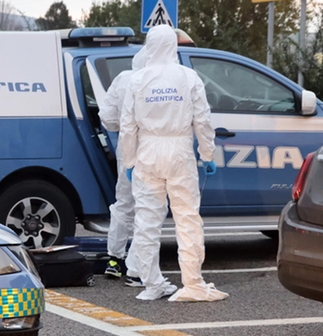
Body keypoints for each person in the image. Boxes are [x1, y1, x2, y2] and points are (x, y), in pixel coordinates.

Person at [119, 25, 227, 302]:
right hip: (179, 151)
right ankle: (192, 283)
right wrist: (208, 155)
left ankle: (152, 283)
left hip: (147, 152)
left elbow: (127, 126)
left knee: (146, 221)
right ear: (173, 46)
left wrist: (129, 161)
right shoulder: (188, 77)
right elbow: (202, 121)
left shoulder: (137, 80)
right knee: (187, 218)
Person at [97, 47, 149, 286]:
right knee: (147, 208)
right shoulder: (165, 80)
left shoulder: (123, 79)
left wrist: (123, 126)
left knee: (124, 203)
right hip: (154, 148)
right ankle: (138, 269)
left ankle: (115, 258)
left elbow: (106, 118)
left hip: (127, 148)